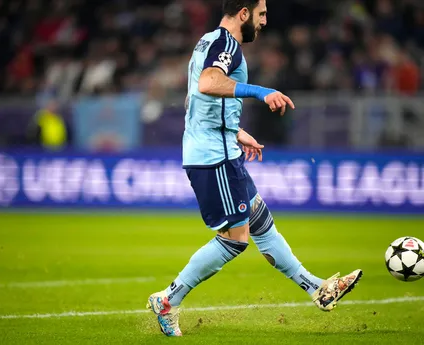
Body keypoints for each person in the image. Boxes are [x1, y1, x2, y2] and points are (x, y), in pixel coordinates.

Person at [146, 0, 362, 337]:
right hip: (213, 157)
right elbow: (207, 83)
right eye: (260, 14)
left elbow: (196, 99)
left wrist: (236, 132)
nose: (263, 22)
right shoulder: (227, 45)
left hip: (220, 147)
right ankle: (169, 300)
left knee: (260, 221)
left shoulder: (207, 40)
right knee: (236, 239)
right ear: (243, 13)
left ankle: (316, 288)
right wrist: (261, 92)